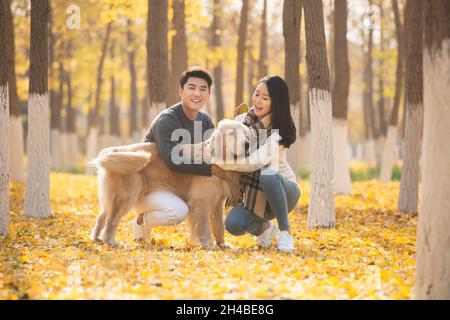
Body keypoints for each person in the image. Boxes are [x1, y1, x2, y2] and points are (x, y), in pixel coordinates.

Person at [133, 67, 225, 242]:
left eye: (203, 89)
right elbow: (172, 162)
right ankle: (141, 220)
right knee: (178, 212)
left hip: (178, 185)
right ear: (181, 91)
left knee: (203, 196)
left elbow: (209, 154)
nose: (197, 93)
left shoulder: (205, 121)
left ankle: (203, 238)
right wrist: (212, 169)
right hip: (149, 186)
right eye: (192, 88)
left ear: (209, 94)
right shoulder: (166, 120)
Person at [217, 75, 300, 252]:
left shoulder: (279, 132)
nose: (258, 100)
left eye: (265, 98)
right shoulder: (241, 121)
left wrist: (223, 163)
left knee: (268, 175)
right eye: (256, 94)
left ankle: (285, 233)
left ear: (276, 103)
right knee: (233, 224)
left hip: (284, 191)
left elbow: (255, 162)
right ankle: (266, 229)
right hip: (255, 196)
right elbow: (224, 143)